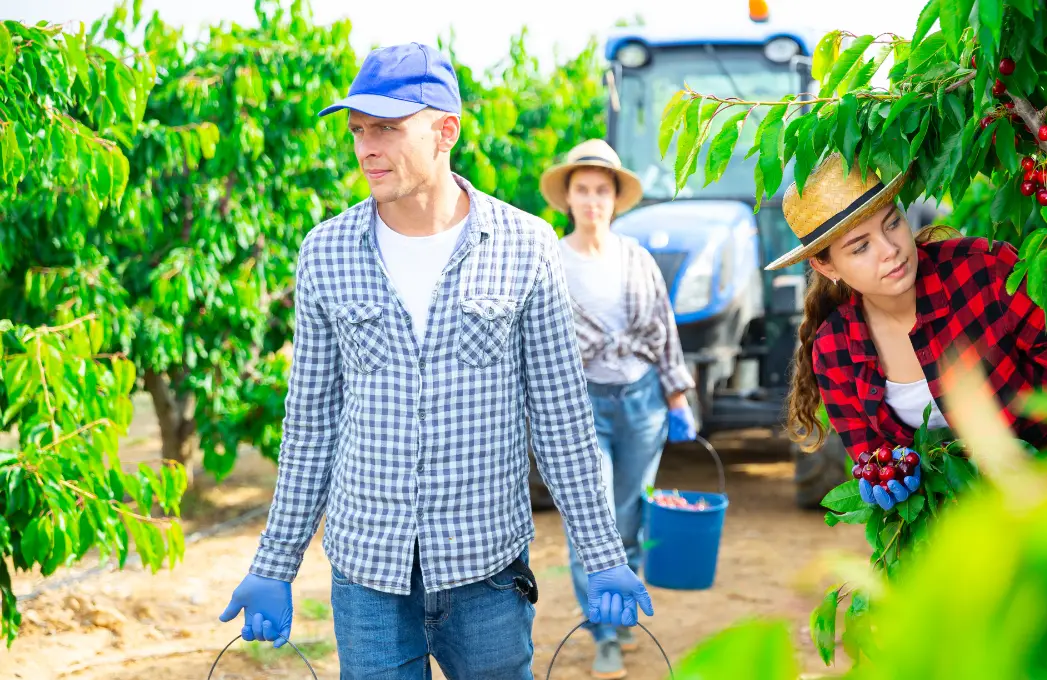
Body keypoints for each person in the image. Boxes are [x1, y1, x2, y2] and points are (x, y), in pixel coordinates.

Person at [216, 43, 653, 679]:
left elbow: (560, 416)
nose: (367, 148)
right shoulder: (326, 252)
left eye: (387, 129)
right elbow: (310, 423)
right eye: (358, 130)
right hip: (368, 576)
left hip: (487, 573)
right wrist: (274, 564)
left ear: (446, 129)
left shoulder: (524, 244)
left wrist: (601, 550)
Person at [775, 154, 1047, 510]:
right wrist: (886, 478)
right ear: (825, 264)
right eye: (861, 247)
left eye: (893, 223)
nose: (891, 249)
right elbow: (875, 461)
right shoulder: (836, 349)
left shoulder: (984, 270)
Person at [537, 139, 697, 679]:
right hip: (581, 405)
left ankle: (623, 611)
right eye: (581, 190)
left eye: (600, 190)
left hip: (642, 402)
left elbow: (661, 329)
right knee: (593, 519)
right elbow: (537, 342)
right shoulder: (551, 261)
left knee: (630, 518)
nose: (591, 200)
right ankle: (602, 632)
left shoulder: (637, 259)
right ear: (568, 198)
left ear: (613, 197)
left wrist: (678, 396)